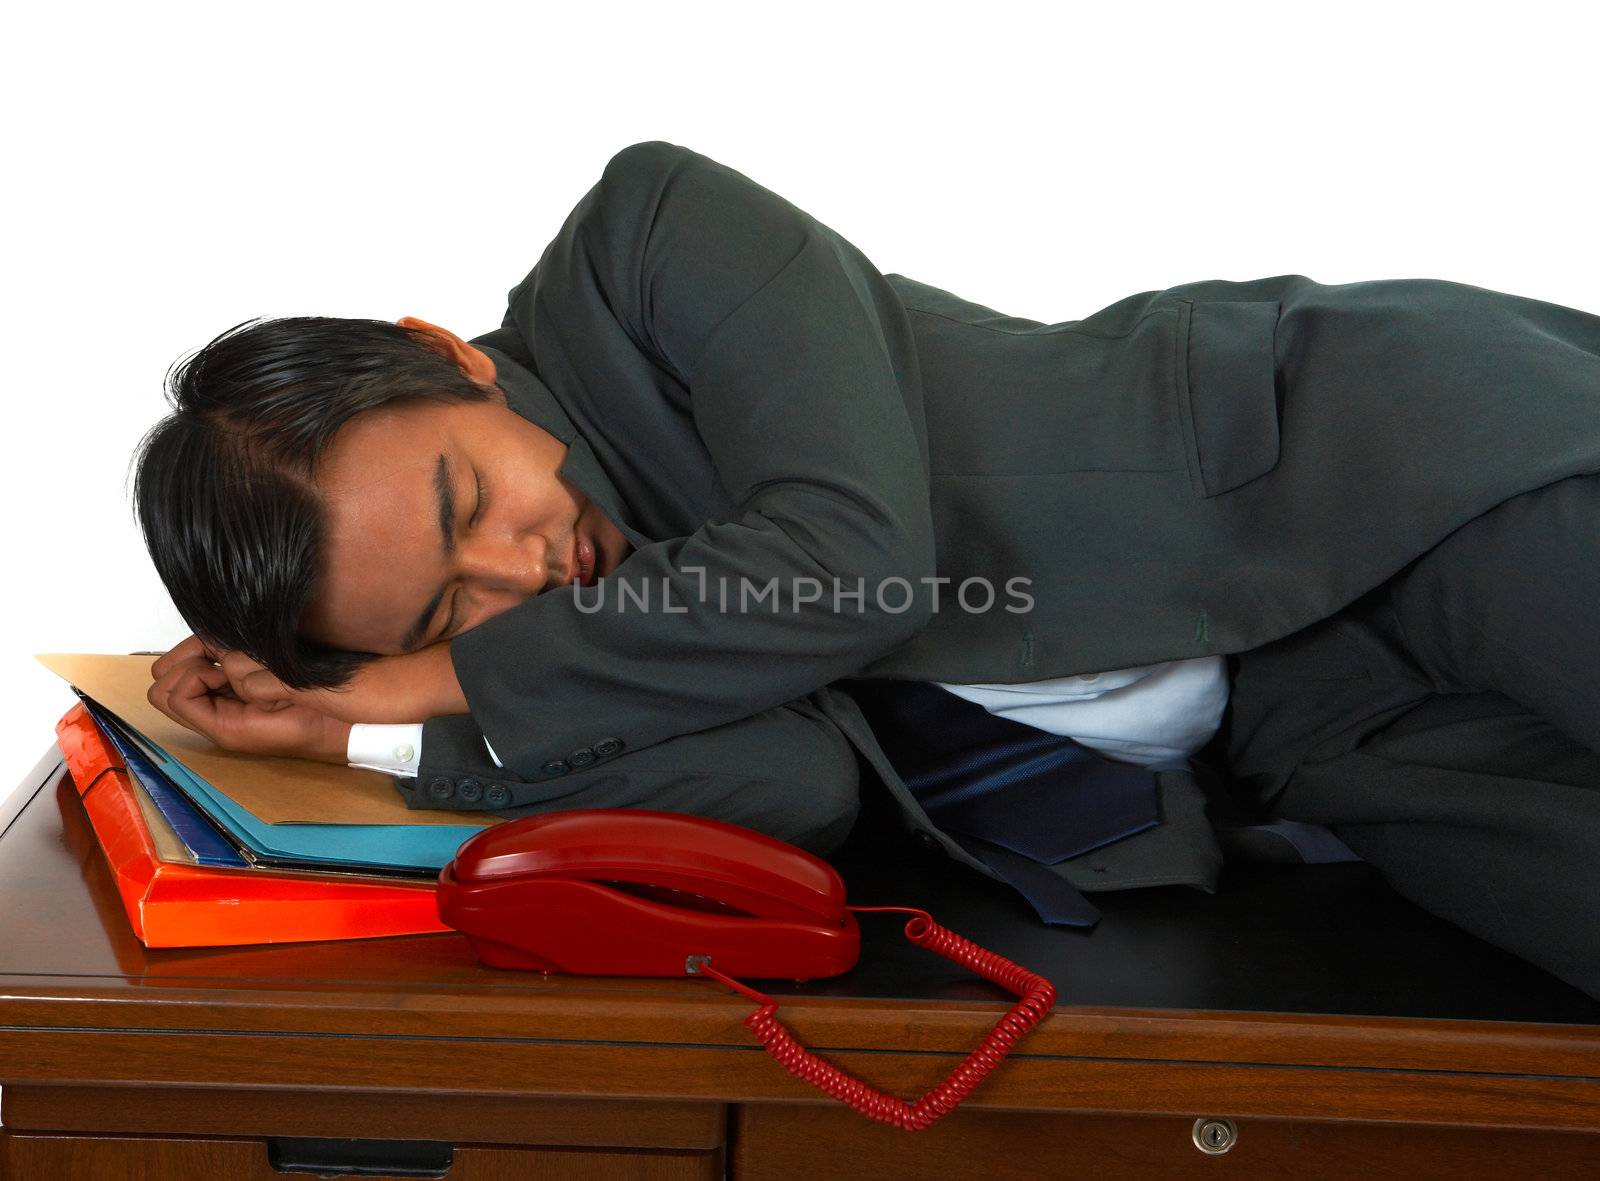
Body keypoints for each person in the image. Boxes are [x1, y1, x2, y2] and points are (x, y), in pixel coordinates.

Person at [135, 140, 1600, 999]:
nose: (518, 569)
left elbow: (853, 566)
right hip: (1295, 728)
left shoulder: (649, 240)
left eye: (469, 492)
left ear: (444, 356)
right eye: (445, 606)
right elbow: (799, 789)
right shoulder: (579, 652)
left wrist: (431, 665)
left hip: (1381, 463)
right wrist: (366, 727)